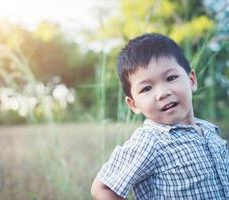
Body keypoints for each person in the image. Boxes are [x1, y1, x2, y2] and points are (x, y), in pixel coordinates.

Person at [91, 33, 229, 200]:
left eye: (171, 78)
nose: (163, 93)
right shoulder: (150, 140)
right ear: (133, 104)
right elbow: (103, 187)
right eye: (146, 89)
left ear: (191, 80)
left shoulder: (210, 130)